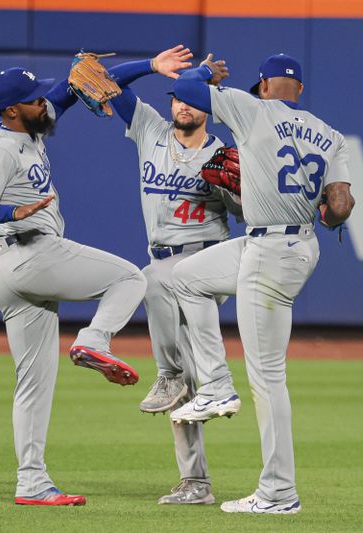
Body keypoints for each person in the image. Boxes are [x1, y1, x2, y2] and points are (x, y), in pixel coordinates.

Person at [169, 53, 355, 514]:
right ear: (301, 92)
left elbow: (187, 92)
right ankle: (214, 384)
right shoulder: (331, 136)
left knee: (269, 377)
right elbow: (341, 205)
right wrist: (327, 211)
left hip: (269, 253)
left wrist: (205, 75)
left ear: (265, 86)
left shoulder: (251, 108)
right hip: (293, 244)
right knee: (186, 278)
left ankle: (278, 493)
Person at [0, 67, 148, 506]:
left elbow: (73, 88)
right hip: (29, 253)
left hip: (11, 269)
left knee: (34, 383)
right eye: (33, 99)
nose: (44, 103)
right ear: (11, 111)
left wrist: (148, 68)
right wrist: (12, 214)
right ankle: (93, 340)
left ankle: (32, 483)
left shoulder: (31, 126)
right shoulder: (0, 149)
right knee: (130, 277)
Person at [97, 46, 242, 505]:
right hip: (163, 257)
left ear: (209, 107)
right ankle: (195, 480)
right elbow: (102, 81)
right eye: (176, 96)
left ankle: (169, 374)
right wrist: (151, 66)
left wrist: (234, 193)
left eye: (191, 98)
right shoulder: (150, 130)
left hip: (204, 259)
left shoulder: (224, 153)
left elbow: (246, 213)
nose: (181, 105)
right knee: (189, 365)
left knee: (152, 280)